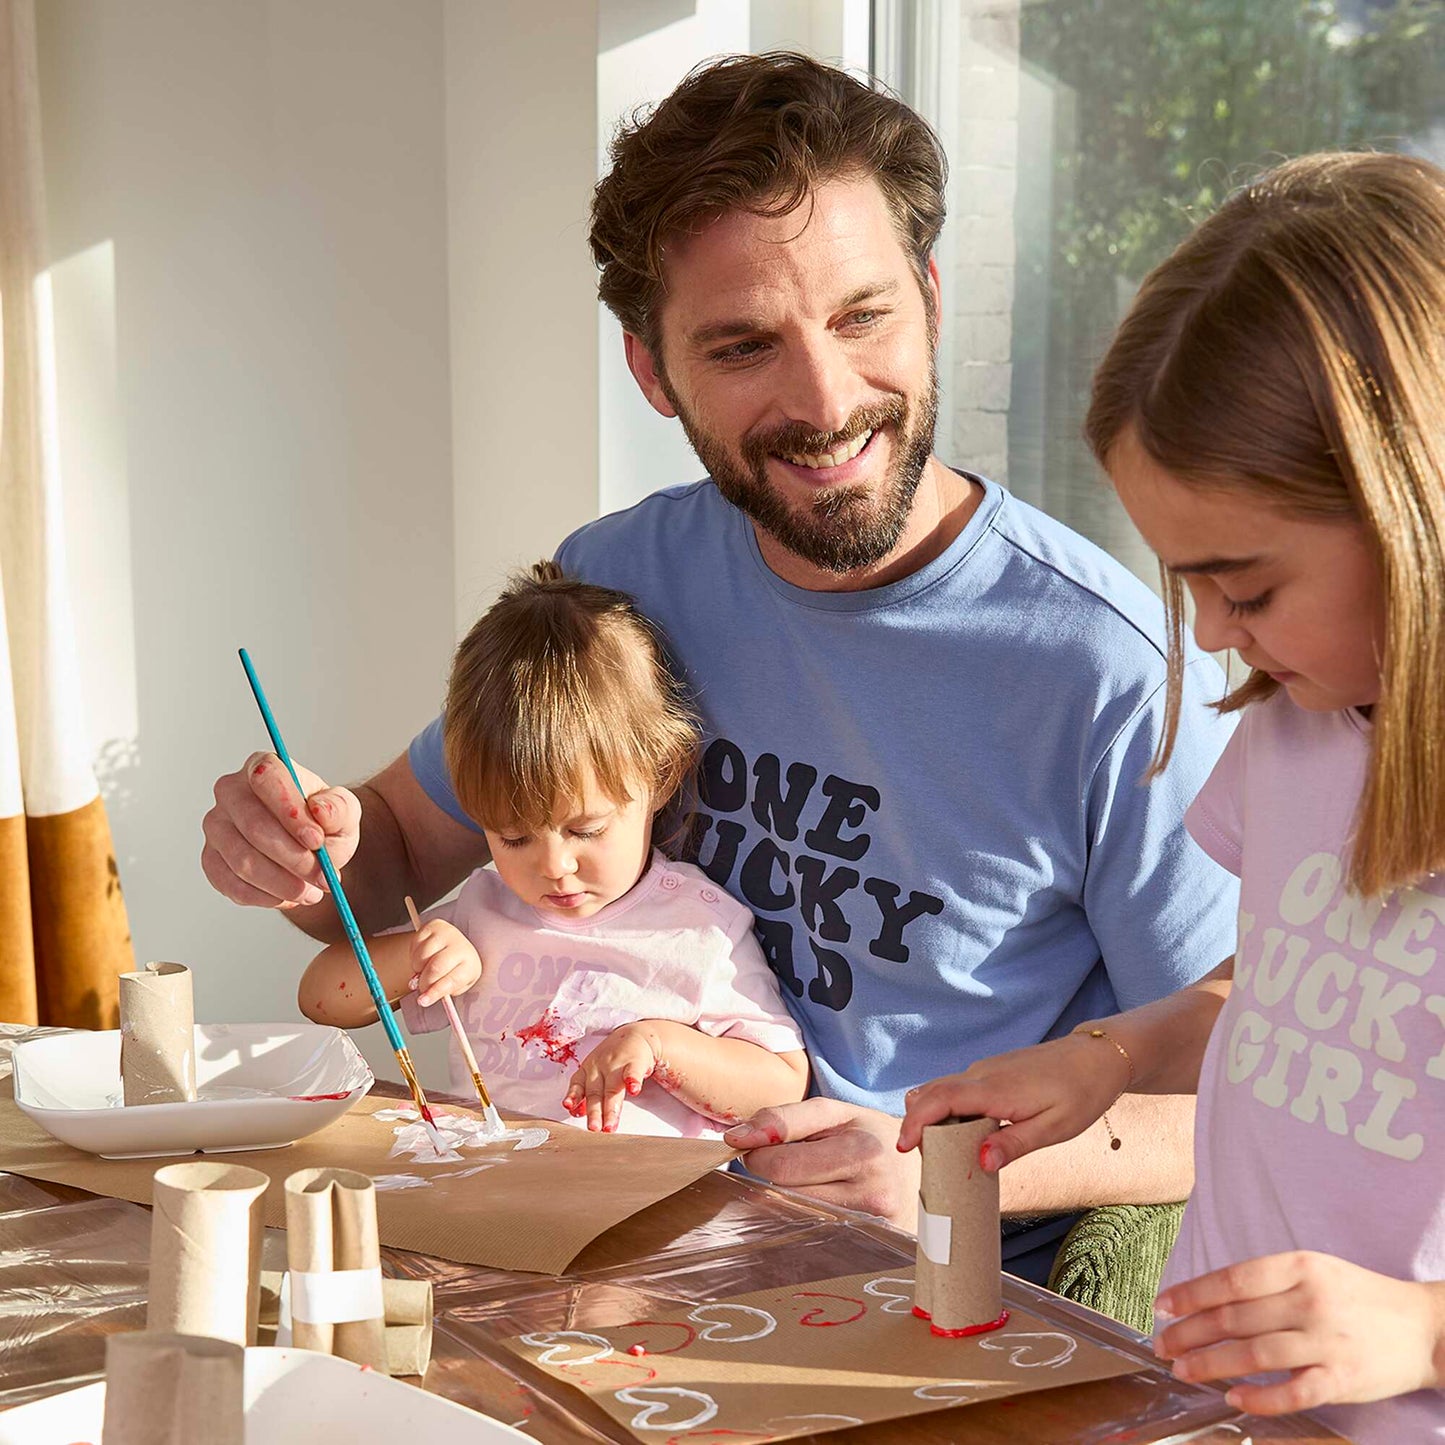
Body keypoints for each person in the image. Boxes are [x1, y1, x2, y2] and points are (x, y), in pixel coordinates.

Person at [201, 53, 1238, 1279]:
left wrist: (945, 1167)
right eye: (743, 346)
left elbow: (1244, 1088)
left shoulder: (1109, 670)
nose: (827, 398)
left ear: (931, 298)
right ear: (653, 373)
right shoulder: (615, 581)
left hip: (911, 1278)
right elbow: (387, 858)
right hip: (588, 1230)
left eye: (862, 317)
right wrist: (294, 847)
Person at [900, 152, 1445, 1439]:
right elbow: (1275, 988)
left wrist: (1420, 1327)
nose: (1207, 634)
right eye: (1184, 580)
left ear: (1413, 513)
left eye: (1245, 586)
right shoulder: (1300, 728)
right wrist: (1108, 1056)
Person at [300, 563, 808, 1137]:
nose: (553, 867)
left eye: (586, 829)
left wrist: (660, 1046)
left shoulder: (699, 929)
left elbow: (782, 1085)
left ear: (661, 777)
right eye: (511, 837)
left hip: (649, 1215)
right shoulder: (484, 913)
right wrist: (415, 956)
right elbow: (319, 998)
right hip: (493, 1202)